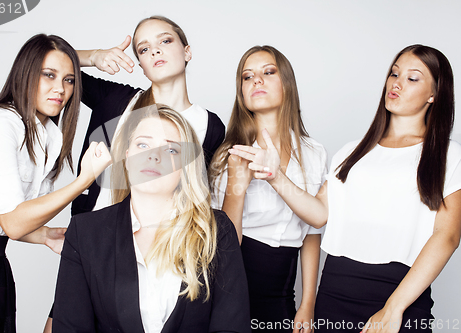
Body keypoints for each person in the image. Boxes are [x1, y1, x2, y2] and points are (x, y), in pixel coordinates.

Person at [229, 45, 461, 333]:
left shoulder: (449, 156)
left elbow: (447, 236)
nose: (396, 83)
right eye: (393, 73)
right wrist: (276, 177)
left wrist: (394, 307)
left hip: (400, 291)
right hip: (336, 288)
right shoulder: (352, 152)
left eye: (412, 78)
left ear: (434, 94)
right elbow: (318, 215)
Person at [53, 104, 250, 333]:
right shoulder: (84, 232)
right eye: (143, 145)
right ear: (127, 157)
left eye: (171, 150)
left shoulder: (216, 228)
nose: (153, 157)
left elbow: (231, 327)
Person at [0, 34, 111, 333]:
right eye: (49, 75)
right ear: (26, 73)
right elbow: (14, 222)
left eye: (69, 80)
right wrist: (84, 180)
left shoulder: (47, 135)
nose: (61, 89)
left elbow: (6, 223)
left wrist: (44, 235)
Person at [209, 45, 326, 333]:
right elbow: (224, 244)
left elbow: (312, 231)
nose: (256, 80)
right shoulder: (229, 154)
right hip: (232, 280)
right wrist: (238, 184)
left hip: (283, 287)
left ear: (287, 82)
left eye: (268, 72)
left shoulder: (314, 152)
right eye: (247, 77)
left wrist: (308, 303)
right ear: (242, 92)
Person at [71, 15, 225, 216]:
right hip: (96, 234)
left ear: (187, 52)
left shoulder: (211, 125)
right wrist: (93, 56)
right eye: (144, 49)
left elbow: (198, 195)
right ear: (142, 67)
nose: (155, 51)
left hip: (163, 240)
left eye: (165, 41)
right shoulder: (116, 100)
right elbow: (43, 62)